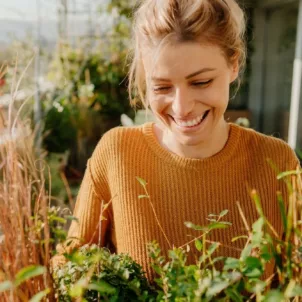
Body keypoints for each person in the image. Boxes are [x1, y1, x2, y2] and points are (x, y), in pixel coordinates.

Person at [51, 0, 299, 281]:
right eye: (162, 87)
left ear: (234, 64)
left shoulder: (277, 163)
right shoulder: (117, 153)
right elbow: (68, 266)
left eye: (201, 82)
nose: (182, 108)